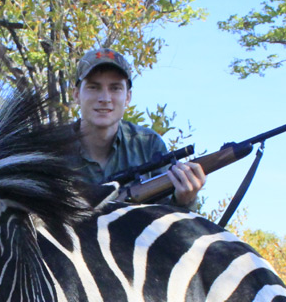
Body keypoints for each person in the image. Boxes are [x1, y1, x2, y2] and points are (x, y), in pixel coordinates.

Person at [70, 47, 204, 209]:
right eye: (93, 87)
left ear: (128, 97)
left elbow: (168, 214)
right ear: (76, 95)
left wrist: (184, 200)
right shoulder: (51, 149)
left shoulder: (149, 144)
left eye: (115, 88)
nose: (105, 98)